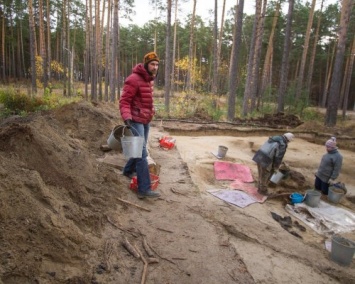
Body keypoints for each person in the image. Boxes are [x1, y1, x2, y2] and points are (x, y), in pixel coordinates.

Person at [119, 51, 161, 199]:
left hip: (145, 120)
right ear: (146, 64)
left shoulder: (149, 79)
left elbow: (145, 100)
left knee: (137, 149)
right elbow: (124, 101)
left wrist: (152, 110)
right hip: (135, 120)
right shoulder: (133, 79)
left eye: (157, 64)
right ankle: (144, 188)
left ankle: (127, 171)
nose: (155, 67)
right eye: (152, 64)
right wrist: (127, 118)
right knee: (142, 153)